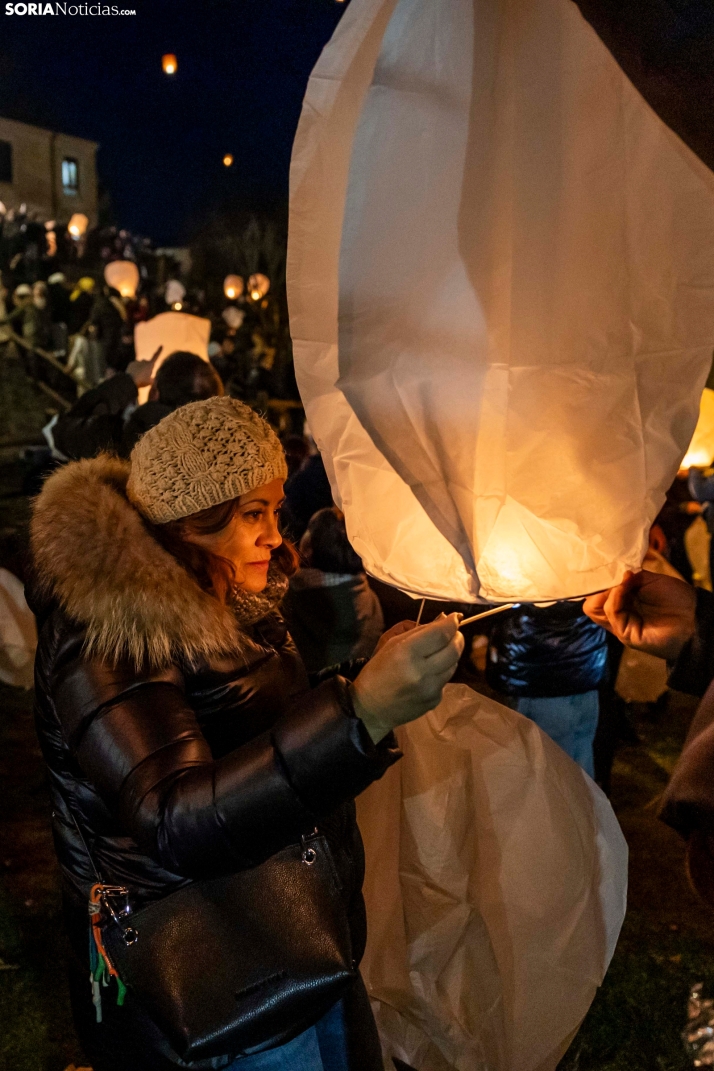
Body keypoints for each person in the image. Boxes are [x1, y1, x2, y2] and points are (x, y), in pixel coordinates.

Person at [28, 396, 464, 1071]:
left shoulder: (229, 597)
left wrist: (357, 678)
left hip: (288, 931)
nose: (274, 534)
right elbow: (173, 817)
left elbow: (251, 714)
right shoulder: (107, 635)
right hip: (210, 974)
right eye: (251, 513)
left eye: (275, 507)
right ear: (188, 525)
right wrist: (360, 715)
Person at [486, 601, 608, 777]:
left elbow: (497, 604)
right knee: (578, 768)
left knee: (542, 775)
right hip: (584, 666)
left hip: (536, 673)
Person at [50, 350, 223, 461]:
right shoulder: (222, 456)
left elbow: (61, 432)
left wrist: (128, 382)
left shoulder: (117, 440)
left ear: (155, 392)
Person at [282, 507, 384, 673]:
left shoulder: (289, 599)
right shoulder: (370, 599)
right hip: (361, 683)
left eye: (310, 528)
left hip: (313, 694)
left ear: (308, 547)